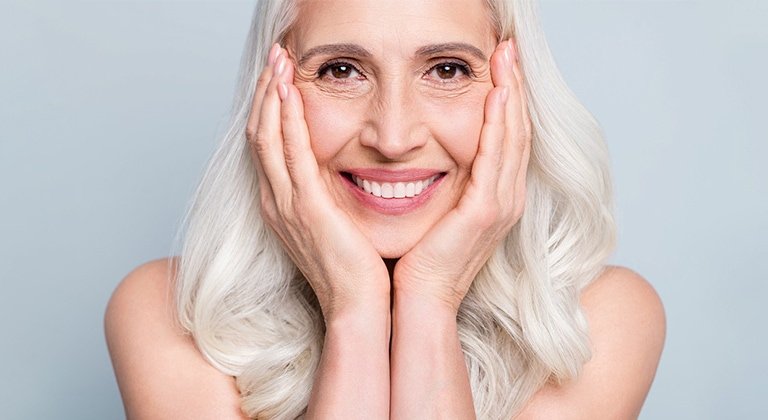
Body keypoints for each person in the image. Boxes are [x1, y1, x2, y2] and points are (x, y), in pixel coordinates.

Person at [105, 0, 666, 418]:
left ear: (519, 93)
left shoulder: (602, 319)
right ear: (272, 94)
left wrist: (429, 297)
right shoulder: (168, 314)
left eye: (447, 69)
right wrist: (353, 306)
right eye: (340, 70)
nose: (394, 136)